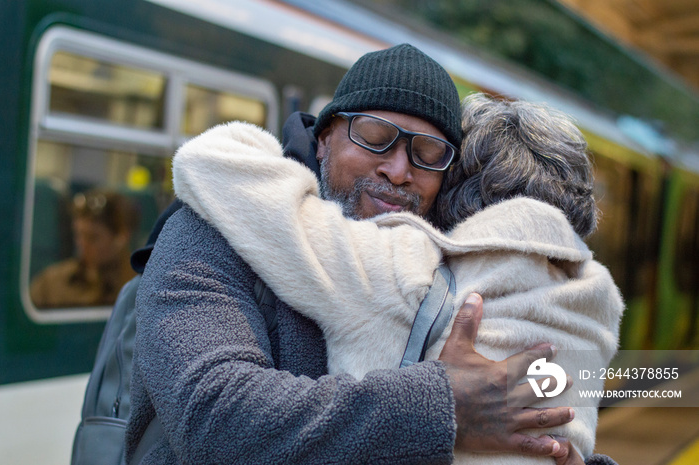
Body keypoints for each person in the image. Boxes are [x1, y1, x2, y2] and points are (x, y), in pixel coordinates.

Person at [127, 44, 613, 464]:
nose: (398, 170)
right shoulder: (213, 226)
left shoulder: (438, 255)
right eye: (374, 139)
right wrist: (446, 404)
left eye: (427, 155)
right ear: (323, 139)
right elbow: (213, 420)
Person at [30, 189, 137, 308]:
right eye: (79, 235)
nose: (82, 244)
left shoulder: (138, 287)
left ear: (121, 237)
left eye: (92, 238)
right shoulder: (51, 283)